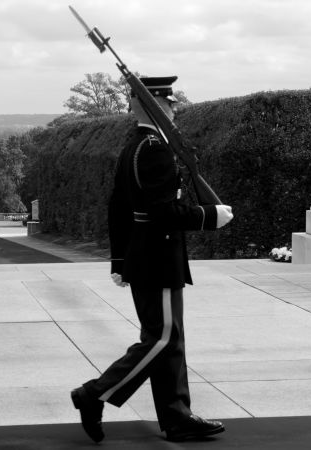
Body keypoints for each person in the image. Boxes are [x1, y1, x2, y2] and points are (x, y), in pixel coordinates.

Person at [70, 76, 234, 443]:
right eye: (170, 103)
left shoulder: (134, 145)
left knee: (170, 338)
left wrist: (118, 259)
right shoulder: (155, 148)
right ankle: (93, 394)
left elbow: (118, 207)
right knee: (160, 339)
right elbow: (162, 212)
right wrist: (208, 217)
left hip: (145, 255)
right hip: (158, 256)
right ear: (153, 105)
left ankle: (176, 416)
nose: (175, 108)